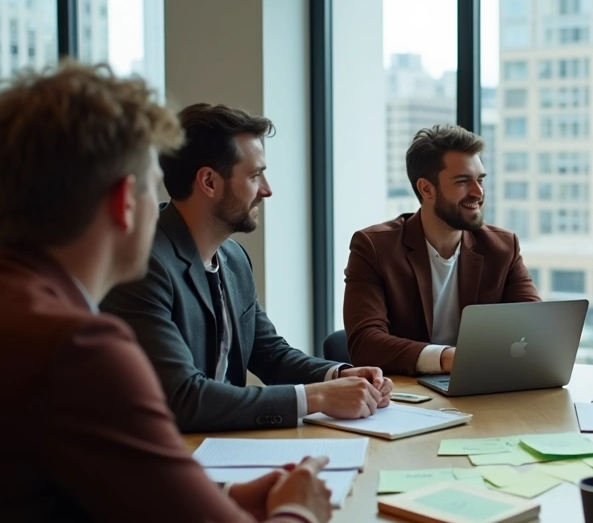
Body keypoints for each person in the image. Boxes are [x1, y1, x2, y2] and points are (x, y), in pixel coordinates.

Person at [0, 63, 332, 523]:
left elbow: (72, 485)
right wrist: (302, 512)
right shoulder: (77, 351)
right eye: (155, 186)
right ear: (126, 202)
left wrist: (224, 499)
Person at [102, 103, 391, 432]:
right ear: (209, 182)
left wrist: (339, 376)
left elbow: (270, 354)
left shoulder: (233, 258)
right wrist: (318, 397)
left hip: (226, 443)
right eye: (255, 176)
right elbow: (183, 398)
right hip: (173, 450)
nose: (267, 190)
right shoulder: (144, 266)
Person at [344, 125, 539, 375]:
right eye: (463, 181)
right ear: (426, 189)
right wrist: (448, 358)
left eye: (480, 180)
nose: (478, 192)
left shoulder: (502, 247)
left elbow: (536, 330)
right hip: (407, 391)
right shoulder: (374, 248)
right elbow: (365, 344)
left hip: (484, 385)